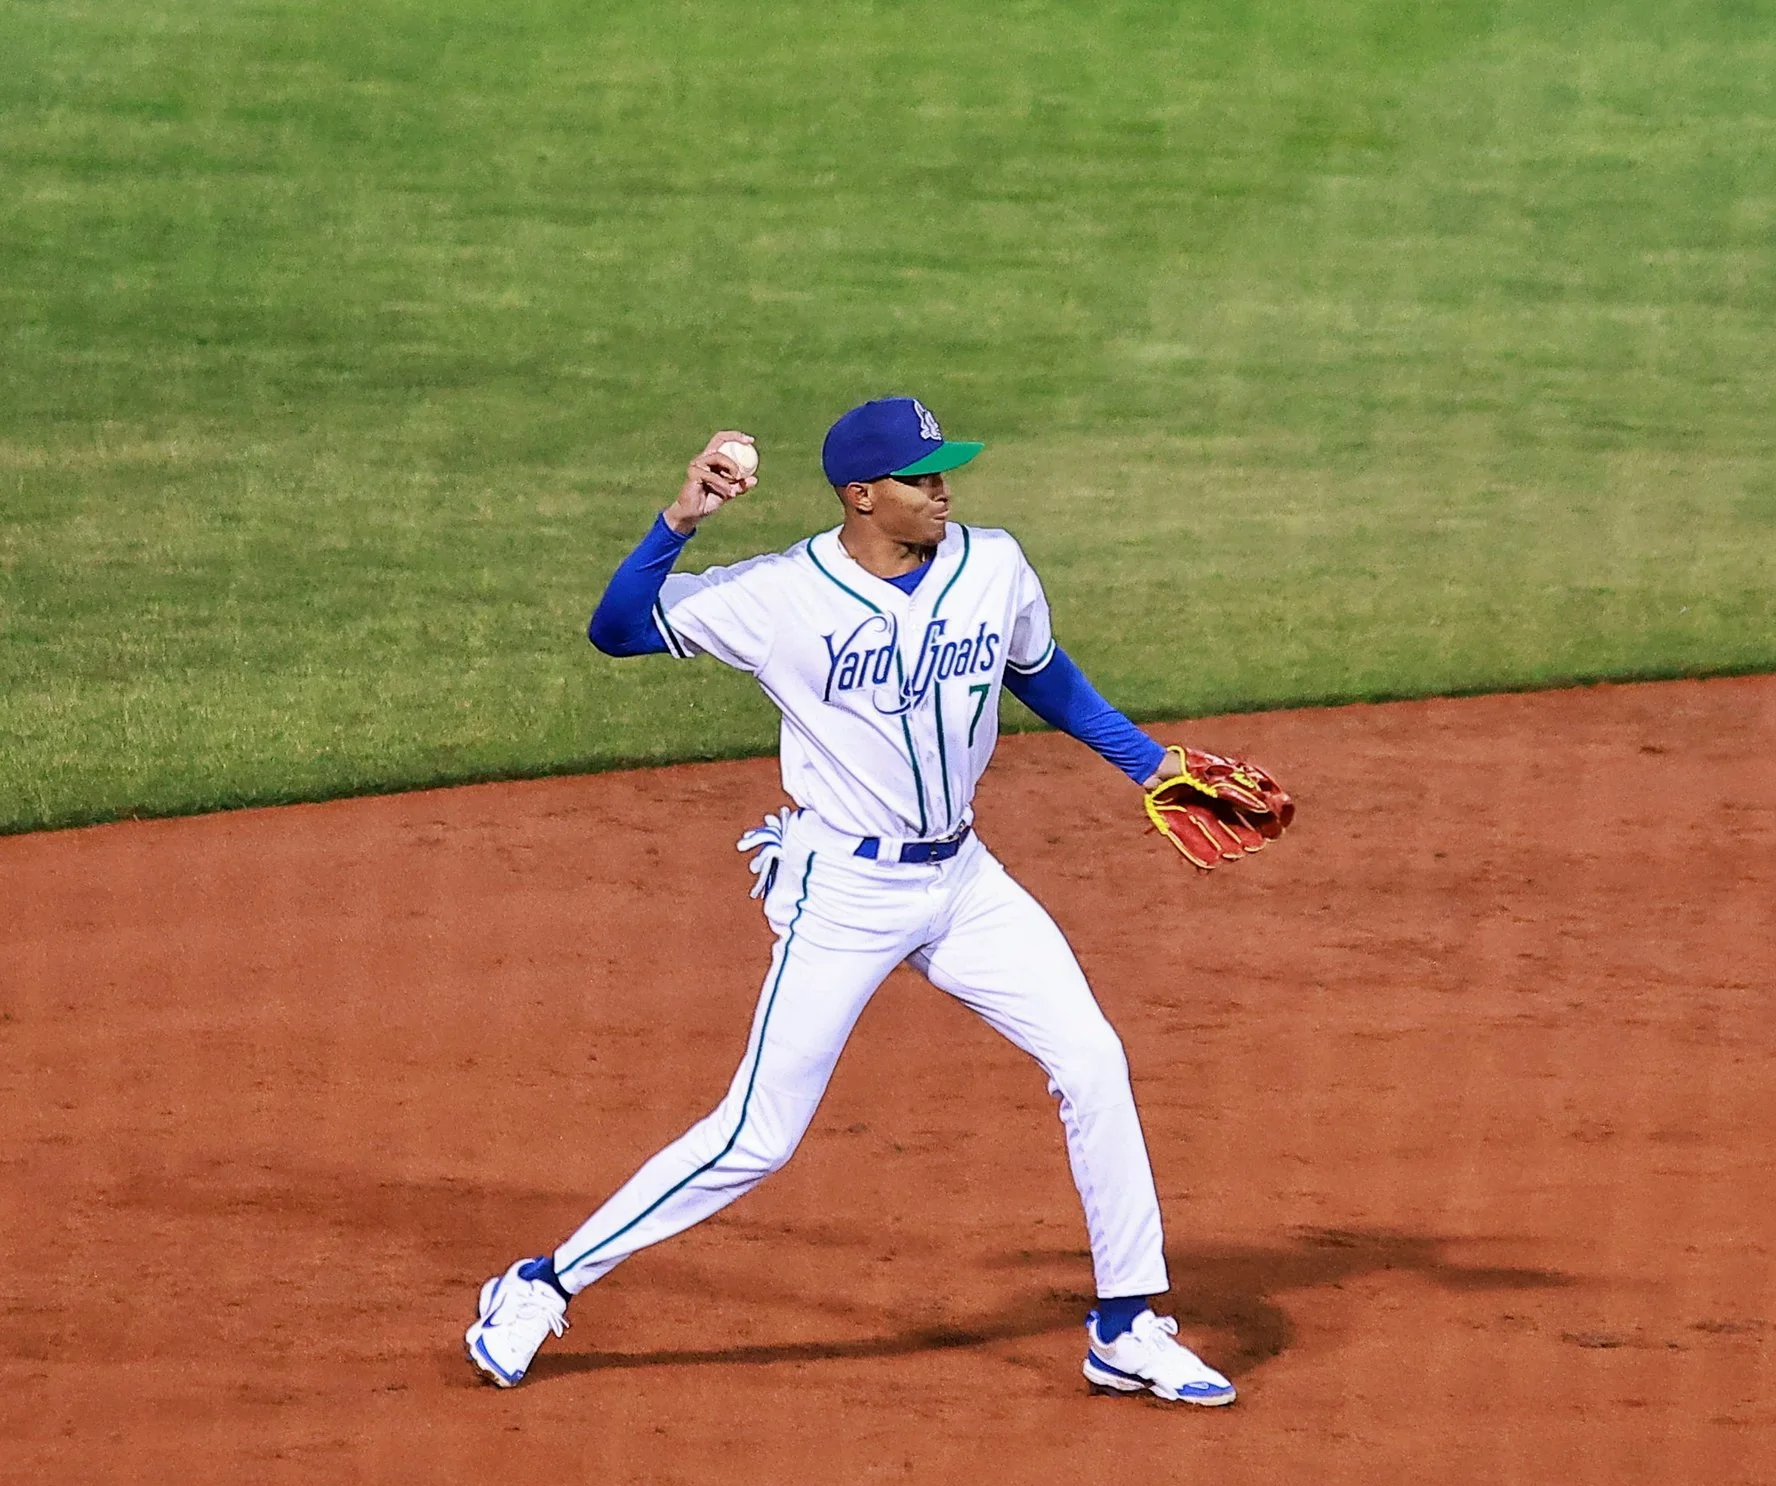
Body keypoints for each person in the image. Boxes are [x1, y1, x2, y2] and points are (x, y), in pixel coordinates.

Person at [463, 396, 1236, 1406]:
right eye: (921, 479)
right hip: (846, 891)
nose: (943, 492)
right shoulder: (778, 594)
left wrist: (1147, 763)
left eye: (945, 472)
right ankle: (541, 1283)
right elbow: (616, 630)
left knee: (1092, 1058)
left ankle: (1127, 1325)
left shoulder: (993, 563)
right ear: (862, 495)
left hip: (965, 881)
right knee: (758, 1134)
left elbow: (1041, 674)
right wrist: (681, 518)